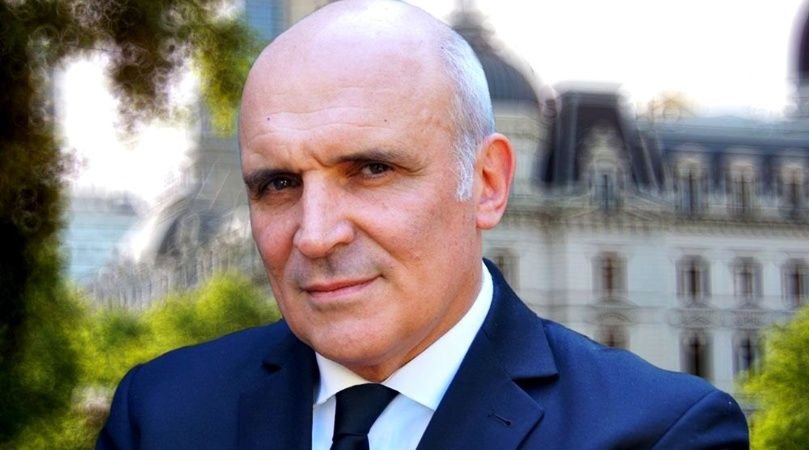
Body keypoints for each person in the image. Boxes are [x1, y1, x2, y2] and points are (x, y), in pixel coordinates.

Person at [96, 1, 749, 448]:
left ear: (487, 184)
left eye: (372, 169)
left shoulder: (658, 433)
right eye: (278, 184)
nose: (315, 235)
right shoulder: (161, 414)